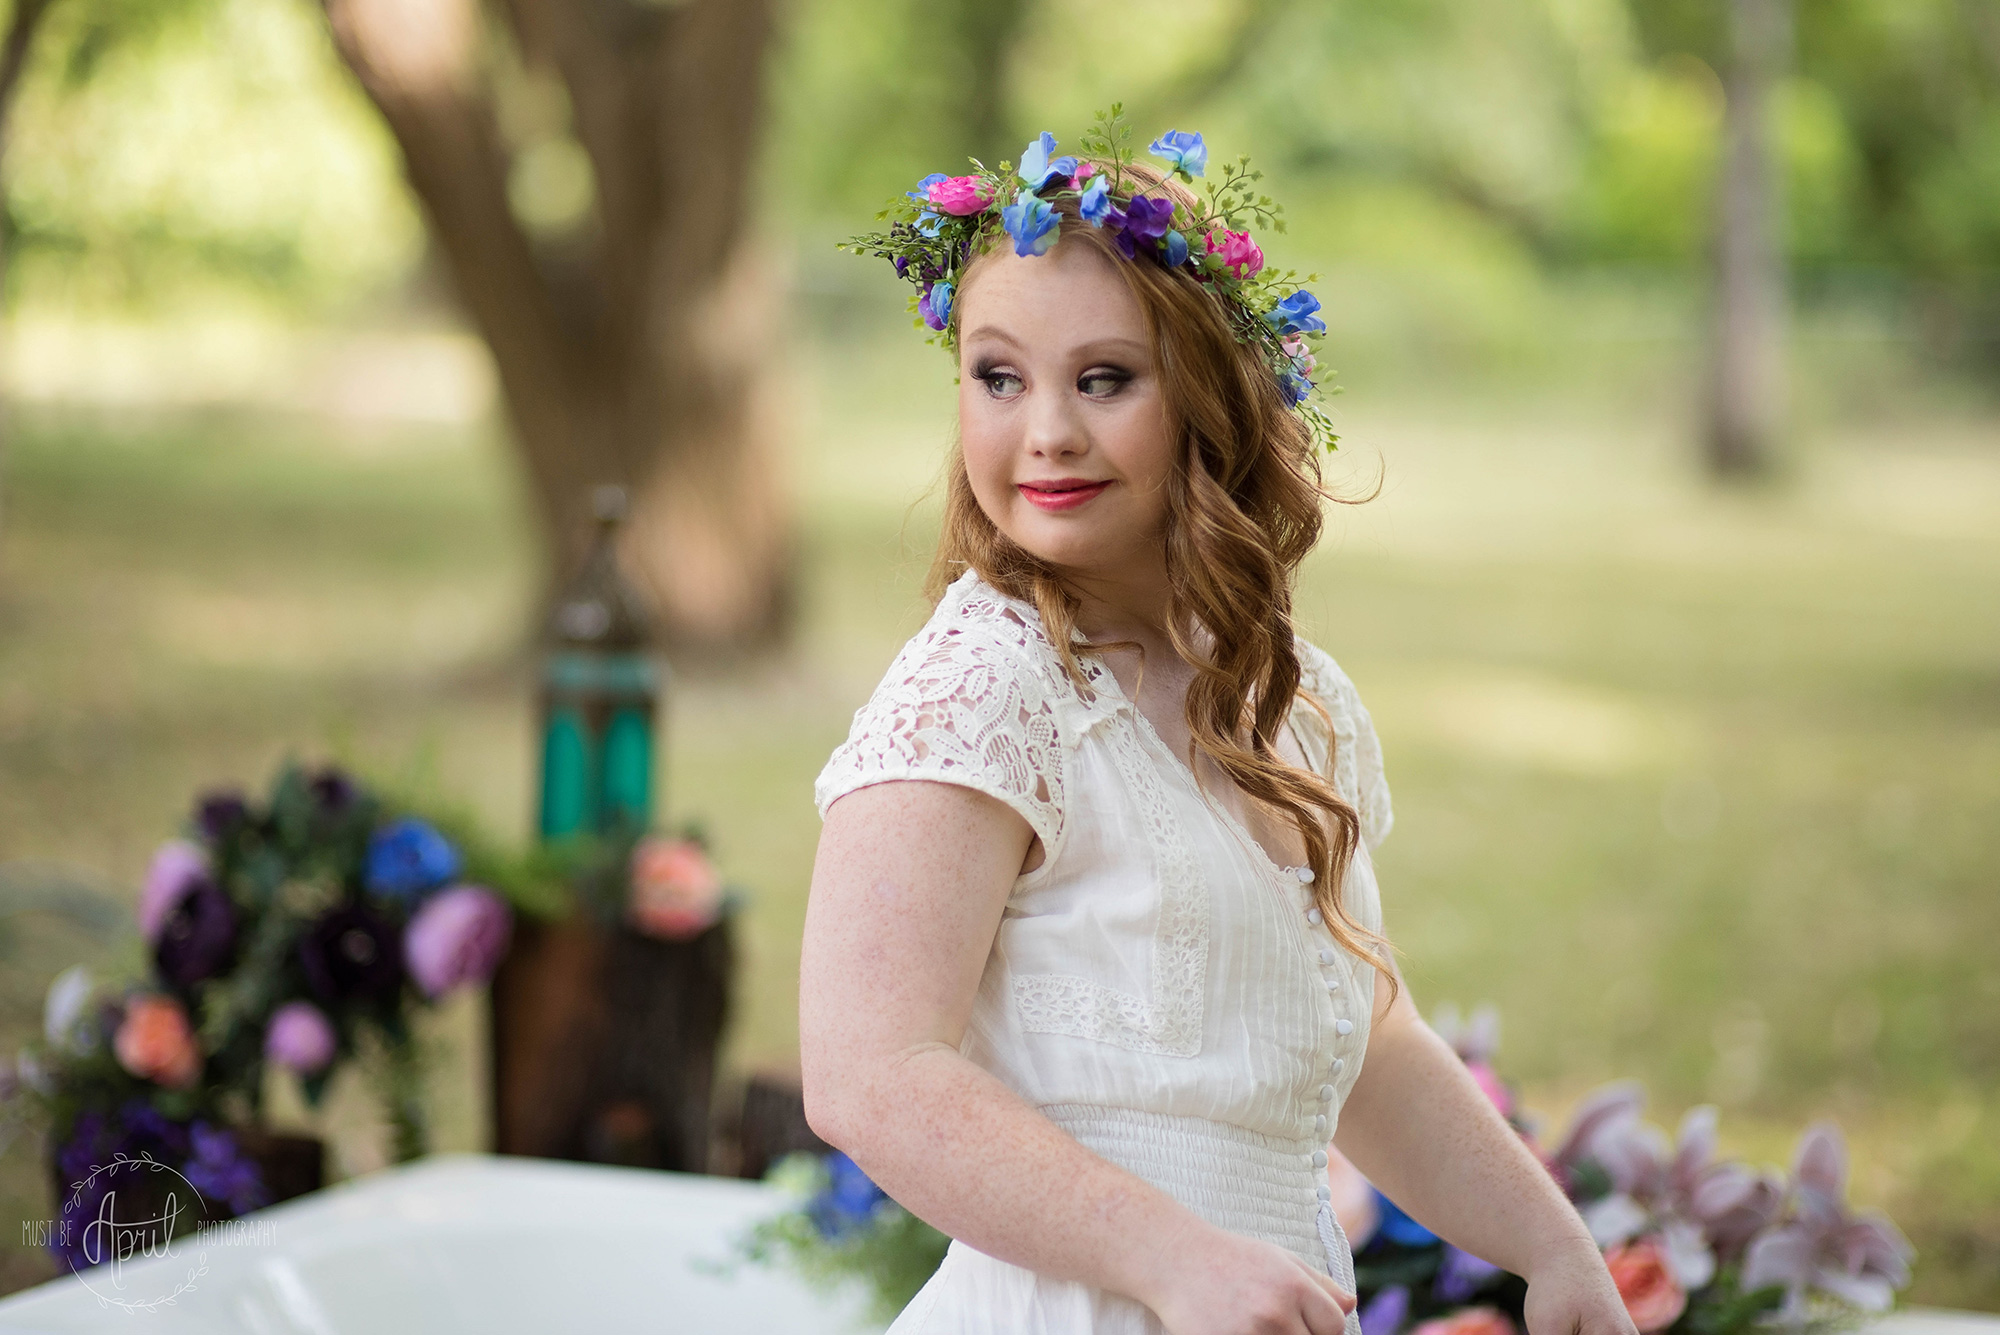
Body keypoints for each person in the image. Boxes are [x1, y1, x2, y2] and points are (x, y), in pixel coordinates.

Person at [799, 117, 1638, 1335]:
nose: (1044, 431)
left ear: (1207, 396)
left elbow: (1371, 1045)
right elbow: (870, 1076)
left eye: (1103, 379)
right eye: (997, 376)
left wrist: (1551, 1247)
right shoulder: (982, 687)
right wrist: (1174, 1262)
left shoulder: (1294, 704)